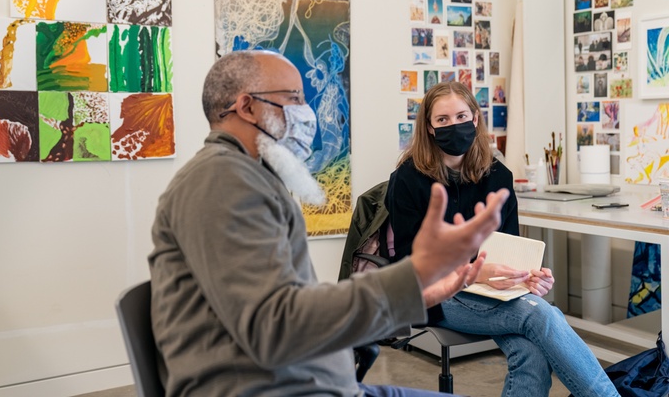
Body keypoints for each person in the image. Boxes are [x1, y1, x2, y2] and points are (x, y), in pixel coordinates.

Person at [148, 51, 510, 397]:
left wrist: (419, 292)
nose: (307, 113)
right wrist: (415, 273)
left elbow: (290, 306)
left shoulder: (249, 177)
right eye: (293, 98)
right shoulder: (222, 182)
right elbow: (274, 327)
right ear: (247, 107)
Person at [385, 81, 620, 397]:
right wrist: (474, 271)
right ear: (429, 127)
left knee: (532, 351)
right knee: (539, 314)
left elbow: (507, 249)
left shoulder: (498, 175)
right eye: (442, 120)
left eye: (460, 116)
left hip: (491, 292)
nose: (453, 126)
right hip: (435, 293)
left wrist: (527, 278)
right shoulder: (407, 180)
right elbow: (409, 262)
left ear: (475, 119)